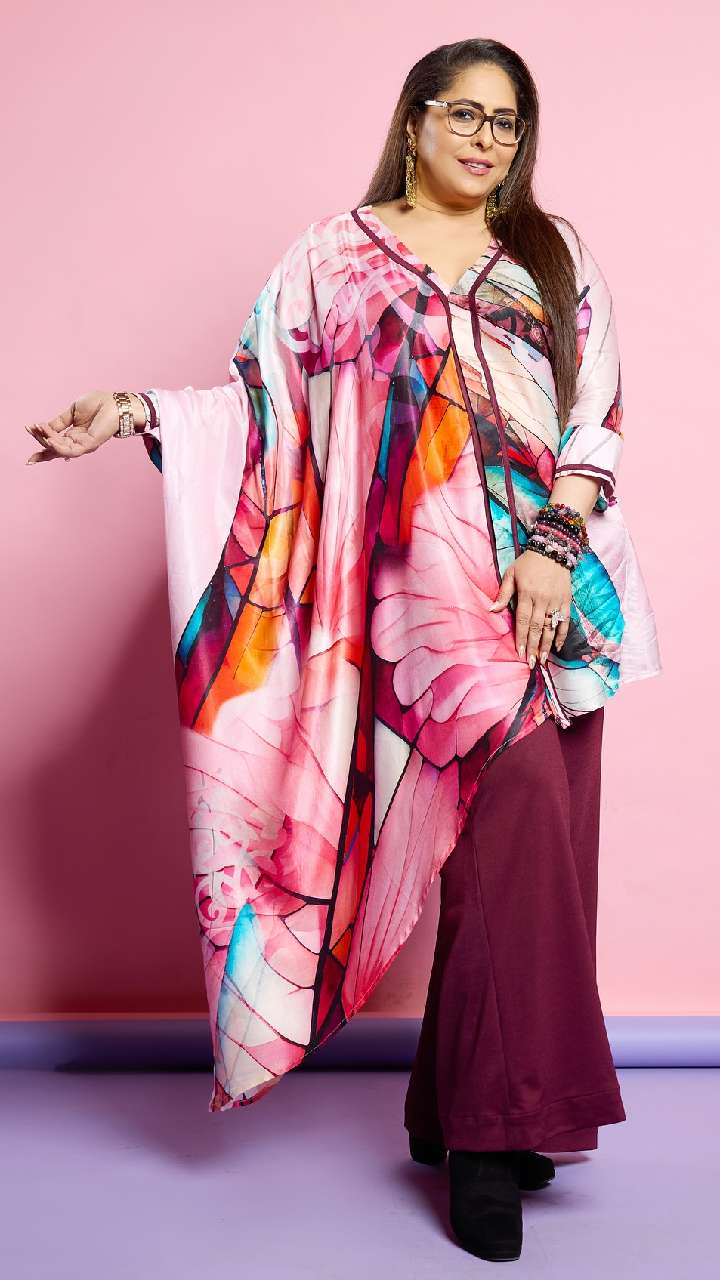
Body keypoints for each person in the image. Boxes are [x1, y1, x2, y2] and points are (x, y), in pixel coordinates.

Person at [24, 37, 662, 1264]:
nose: (486, 140)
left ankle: (458, 1107)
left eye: (508, 123)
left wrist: (553, 540)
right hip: (418, 614)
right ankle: (489, 1143)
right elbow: (263, 406)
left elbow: (600, 411)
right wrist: (136, 411)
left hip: (555, 595)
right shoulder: (331, 258)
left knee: (532, 857)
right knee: (512, 828)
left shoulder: (553, 252)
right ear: (414, 120)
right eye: (464, 114)